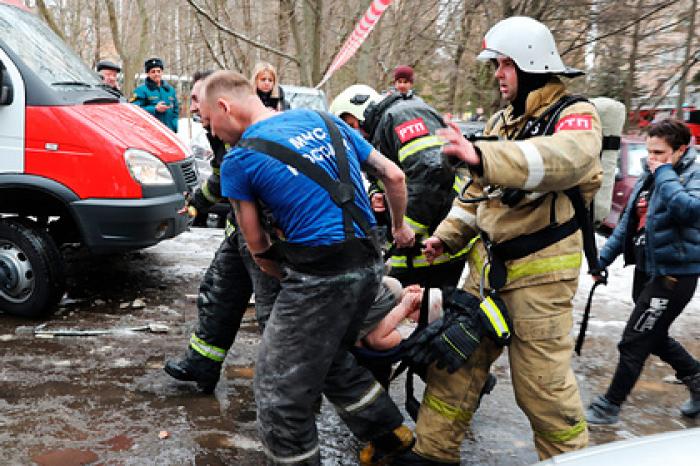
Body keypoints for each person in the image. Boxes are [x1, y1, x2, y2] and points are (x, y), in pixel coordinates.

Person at [394, 16, 603, 465]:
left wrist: (483, 155)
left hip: (540, 285)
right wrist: (446, 238)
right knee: (453, 367)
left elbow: (566, 159)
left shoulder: (575, 116)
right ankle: (432, 454)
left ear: (530, 64)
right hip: (484, 275)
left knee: (543, 393)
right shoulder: (502, 121)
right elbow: (475, 195)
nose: (497, 75)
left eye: (504, 64)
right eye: (496, 65)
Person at [200, 70, 416, 466]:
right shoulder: (324, 120)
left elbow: (256, 245)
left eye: (210, 121)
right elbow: (395, 176)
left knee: (277, 387)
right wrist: (400, 227)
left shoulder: (240, 160)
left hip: (320, 276)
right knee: (329, 356)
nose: (212, 131)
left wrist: (286, 277)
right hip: (369, 261)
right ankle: (390, 436)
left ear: (225, 107)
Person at [163, 70, 280, 393]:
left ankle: (287, 389)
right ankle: (202, 364)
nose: (197, 111)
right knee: (218, 294)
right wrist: (198, 202)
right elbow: (220, 176)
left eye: (199, 102)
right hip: (238, 233)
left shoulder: (253, 129)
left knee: (273, 312)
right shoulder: (216, 132)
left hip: (267, 236)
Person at [585, 119, 700, 424]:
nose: (652, 158)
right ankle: (698, 380)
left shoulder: (694, 174)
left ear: (681, 150)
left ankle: (609, 405)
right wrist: (602, 260)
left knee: (634, 339)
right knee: (653, 334)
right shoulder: (650, 174)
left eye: (660, 152)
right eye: (649, 152)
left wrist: (663, 172)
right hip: (646, 271)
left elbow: (687, 210)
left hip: (675, 276)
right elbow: (626, 223)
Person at [330, 84, 468, 291]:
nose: (355, 133)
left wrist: (405, 226)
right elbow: (385, 175)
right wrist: (376, 193)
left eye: (351, 124)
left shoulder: (402, 116)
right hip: (423, 245)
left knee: (434, 310)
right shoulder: (382, 128)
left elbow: (431, 174)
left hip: (438, 238)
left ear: (359, 111)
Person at [130, 57, 179, 132]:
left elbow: (175, 110)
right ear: (148, 73)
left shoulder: (170, 90)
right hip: (150, 133)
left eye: (159, 71)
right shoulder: (141, 90)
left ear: (162, 72)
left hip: (169, 132)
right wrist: (154, 109)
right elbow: (134, 110)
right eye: (153, 71)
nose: (156, 74)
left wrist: (174, 126)